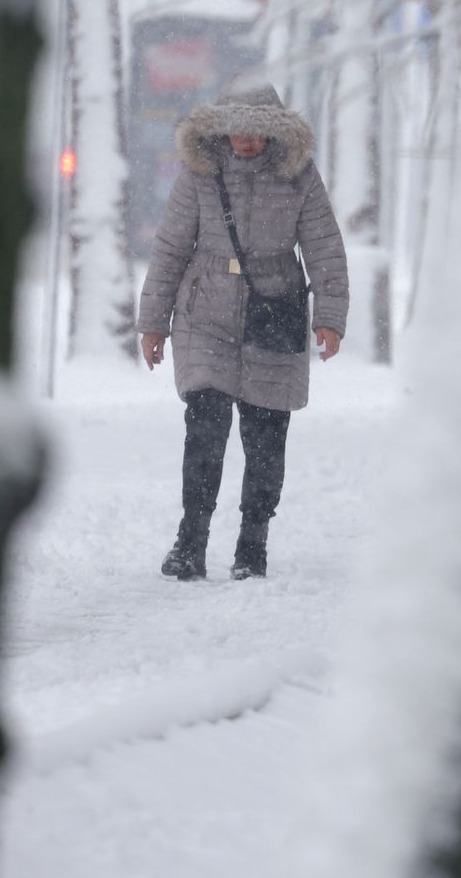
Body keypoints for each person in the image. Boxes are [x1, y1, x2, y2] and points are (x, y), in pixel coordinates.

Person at [136, 83, 349, 581]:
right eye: (237, 130)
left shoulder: (298, 175)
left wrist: (330, 315)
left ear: (275, 133)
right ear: (222, 128)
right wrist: (153, 323)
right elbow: (170, 249)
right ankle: (191, 541)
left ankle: (253, 543)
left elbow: (324, 247)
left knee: (266, 434)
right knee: (205, 426)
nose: (246, 141)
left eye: (257, 132)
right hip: (204, 310)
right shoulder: (201, 172)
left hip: (273, 309)